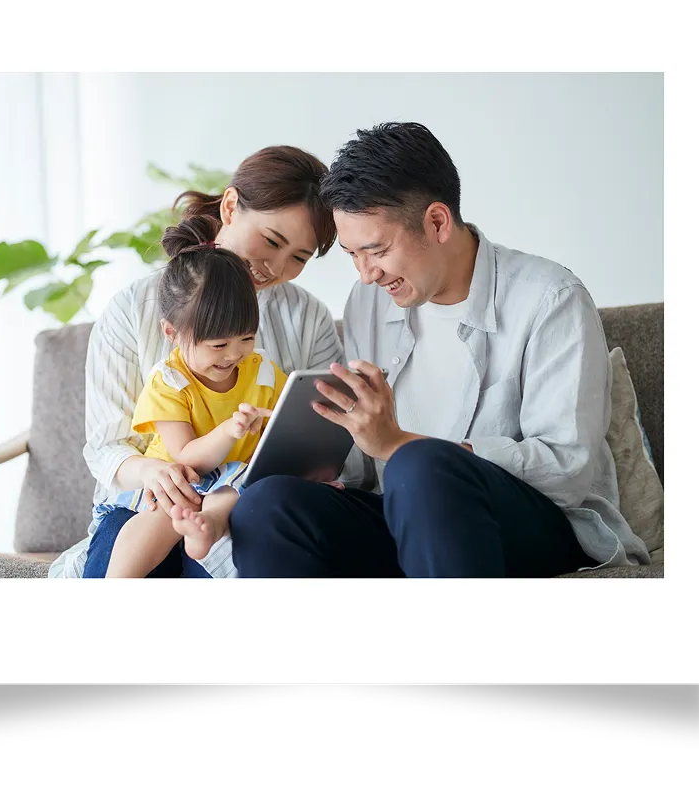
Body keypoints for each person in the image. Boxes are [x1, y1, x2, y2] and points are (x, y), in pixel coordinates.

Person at [227, 122, 651, 577]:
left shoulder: (550, 298)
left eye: (377, 250)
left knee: (420, 467)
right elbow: (364, 466)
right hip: (407, 518)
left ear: (437, 222)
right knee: (268, 504)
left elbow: (567, 471)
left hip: (533, 524)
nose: (366, 273)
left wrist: (399, 445)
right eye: (352, 254)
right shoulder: (368, 301)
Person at [49, 145, 367, 579]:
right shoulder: (135, 308)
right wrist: (156, 473)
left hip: (247, 505)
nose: (274, 266)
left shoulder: (307, 317)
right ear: (231, 207)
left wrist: (310, 470)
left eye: (299, 257)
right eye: (272, 241)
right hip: (150, 502)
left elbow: (333, 433)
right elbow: (106, 446)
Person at [97, 215, 288, 576]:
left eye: (246, 338)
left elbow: (282, 431)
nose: (234, 354)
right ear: (171, 332)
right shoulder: (169, 382)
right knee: (165, 513)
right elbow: (187, 458)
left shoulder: (262, 372)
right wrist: (229, 431)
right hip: (177, 482)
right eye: (218, 345)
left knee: (237, 490)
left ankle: (207, 527)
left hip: (232, 484)